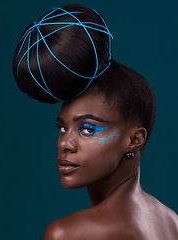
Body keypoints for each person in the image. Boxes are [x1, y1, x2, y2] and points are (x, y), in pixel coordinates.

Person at [13, 4, 178, 240]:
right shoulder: (171, 221)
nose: (65, 144)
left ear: (134, 139)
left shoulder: (68, 234)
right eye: (63, 127)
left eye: (88, 129)